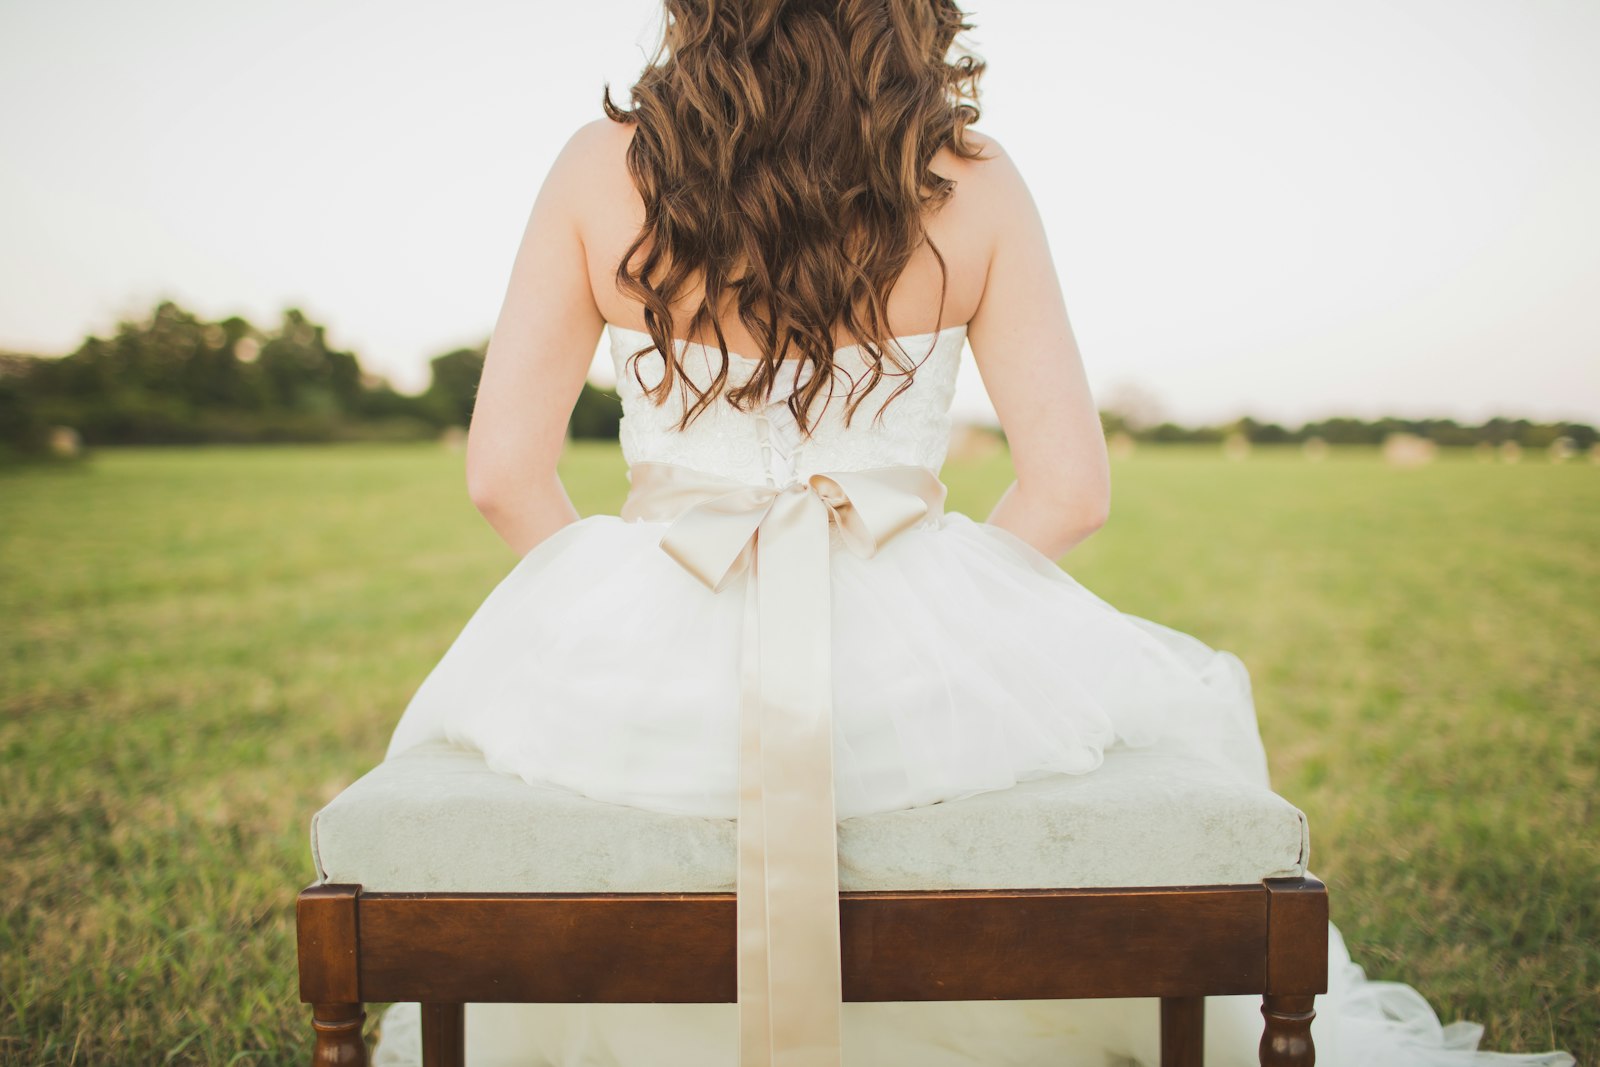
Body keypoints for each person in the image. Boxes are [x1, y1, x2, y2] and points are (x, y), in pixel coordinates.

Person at [369, 2, 1575, 1064]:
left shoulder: (596, 167)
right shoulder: (975, 181)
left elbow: (501, 473)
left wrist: (611, 630)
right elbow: (1070, 488)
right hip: (903, 685)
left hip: (651, 670)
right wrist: (954, 636)